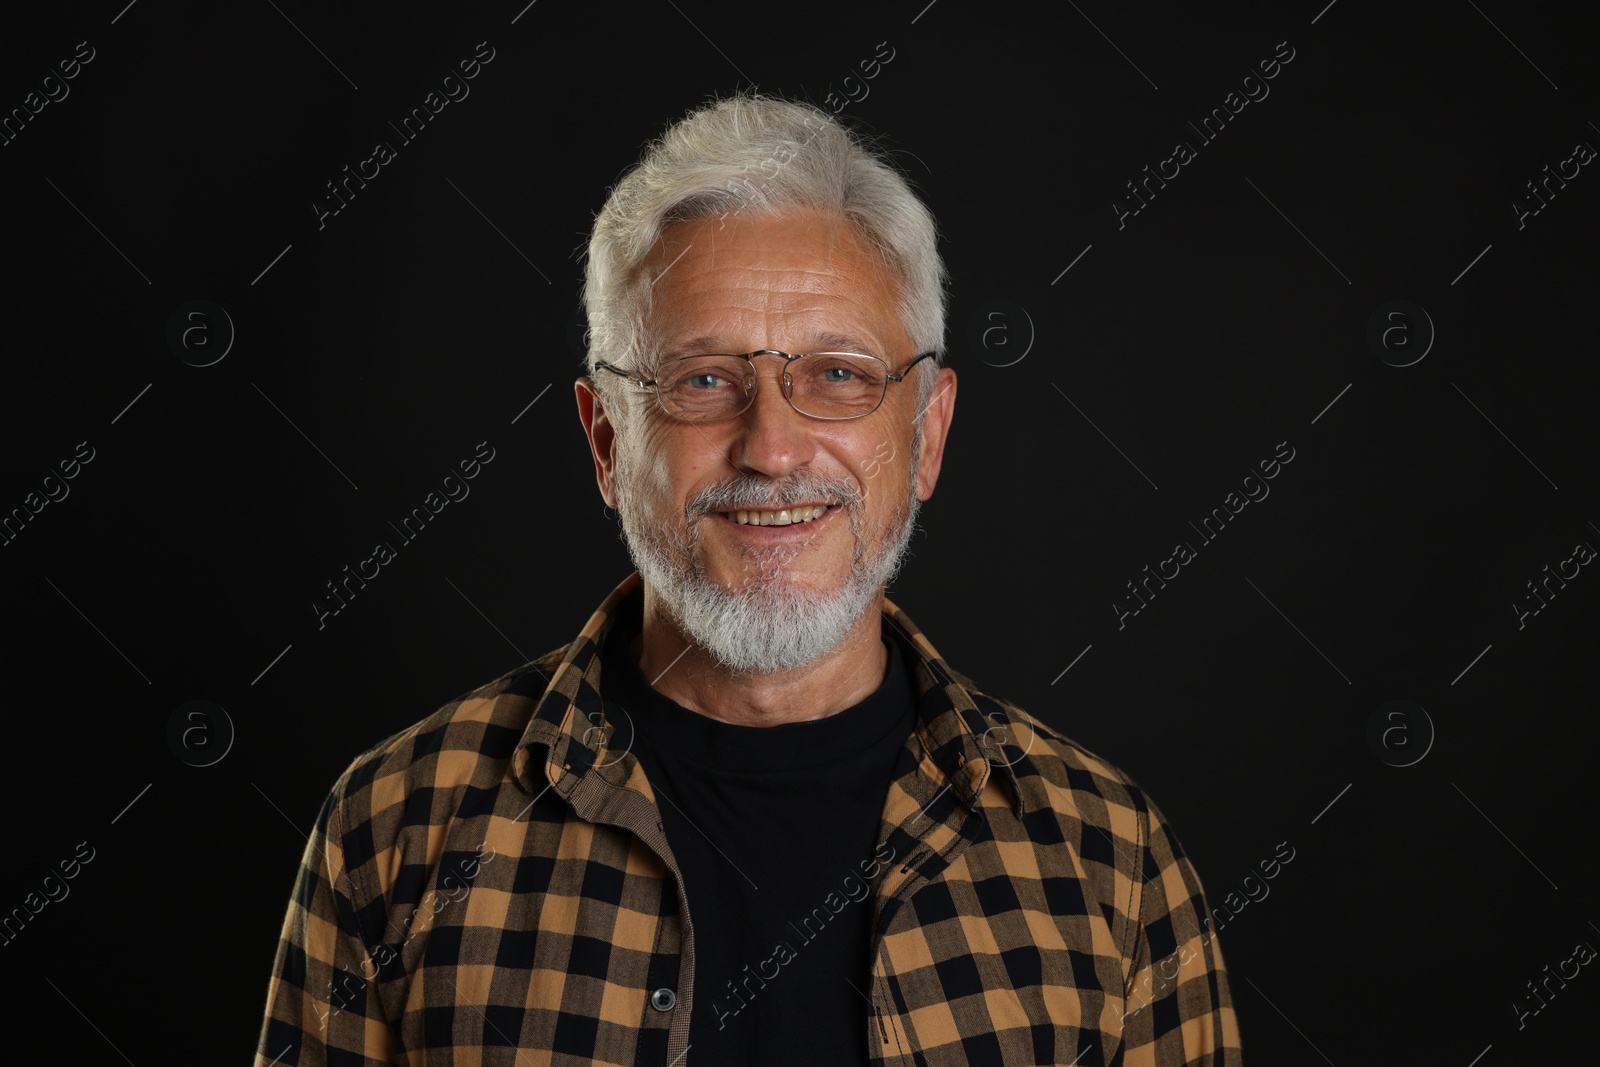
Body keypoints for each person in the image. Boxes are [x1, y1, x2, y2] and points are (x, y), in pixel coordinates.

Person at [253, 91, 1242, 1066]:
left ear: (927, 432)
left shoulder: (1107, 860)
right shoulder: (394, 827)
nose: (771, 446)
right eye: (702, 380)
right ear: (605, 438)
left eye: (839, 374)